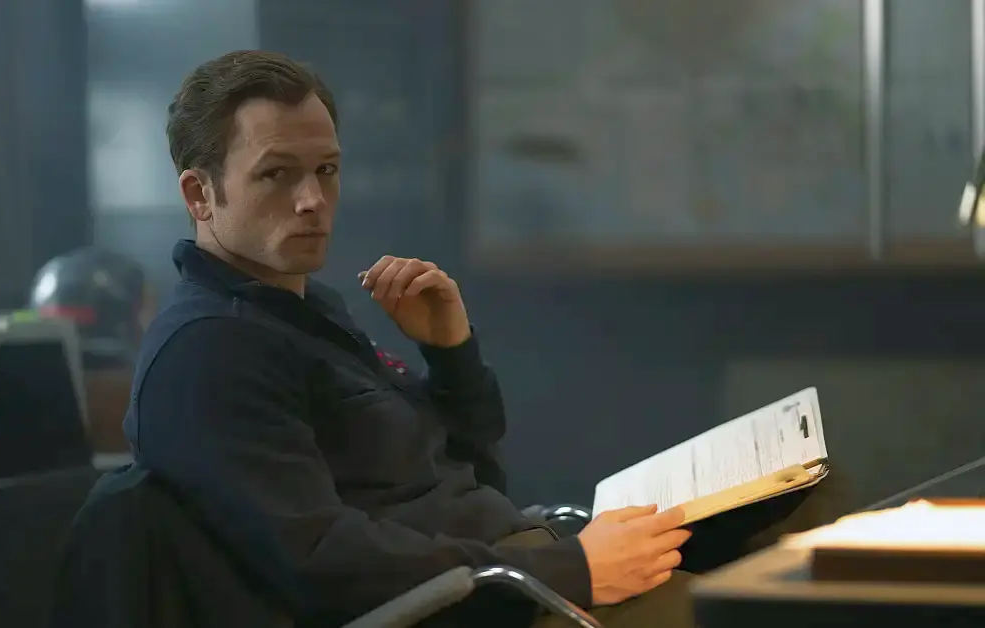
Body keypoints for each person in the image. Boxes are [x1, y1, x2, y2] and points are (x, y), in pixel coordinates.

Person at [125, 50, 846, 628]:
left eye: (327, 170)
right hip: (496, 599)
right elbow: (322, 563)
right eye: (276, 175)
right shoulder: (209, 352)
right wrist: (574, 571)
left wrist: (450, 351)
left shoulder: (304, 311)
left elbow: (468, 479)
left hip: (522, 567)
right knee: (780, 605)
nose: (313, 200)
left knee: (805, 505)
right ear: (200, 195)